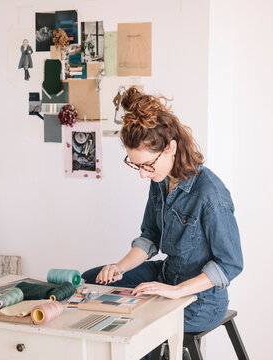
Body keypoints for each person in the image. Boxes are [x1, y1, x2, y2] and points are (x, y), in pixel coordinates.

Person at [81, 88, 244, 359]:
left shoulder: (211, 194)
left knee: (137, 327)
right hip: (166, 277)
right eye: (137, 166)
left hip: (200, 301)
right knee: (91, 282)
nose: (143, 174)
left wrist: (176, 291)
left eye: (147, 165)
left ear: (170, 148)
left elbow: (230, 264)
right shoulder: (161, 180)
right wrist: (118, 268)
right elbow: (150, 236)